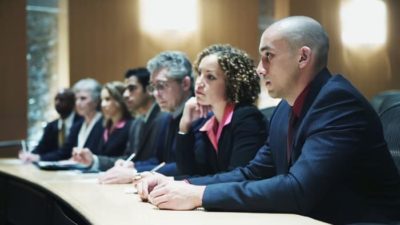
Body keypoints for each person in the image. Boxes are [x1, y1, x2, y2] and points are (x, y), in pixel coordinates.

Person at [136, 16, 400, 224]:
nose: (260, 69)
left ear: (303, 57)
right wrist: (182, 185)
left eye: (268, 56)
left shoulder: (339, 102)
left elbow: (299, 190)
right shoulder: (285, 108)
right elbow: (252, 172)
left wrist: (199, 195)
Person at [175, 44, 267, 177]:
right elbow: (189, 172)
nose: (199, 82)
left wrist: (185, 184)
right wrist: (184, 127)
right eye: (199, 73)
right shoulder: (211, 122)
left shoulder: (247, 118)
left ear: (233, 83)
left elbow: (238, 177)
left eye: (210, 77)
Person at [71, 68, 168, 178]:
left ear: (149, 90)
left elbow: (161, 161)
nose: (125, 94)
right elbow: (129, 157)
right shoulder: (137, 123)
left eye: (132, 88)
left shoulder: (164, 118)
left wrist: (133, 169)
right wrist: (96, 160)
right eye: (125, 89)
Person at [72, 81, 132, 165]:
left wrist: (95, 160)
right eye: (102, 100)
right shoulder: (105, 126)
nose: (103, 104)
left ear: (119, 101)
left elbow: (128, 158)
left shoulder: (131, 125)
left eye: (107, 99)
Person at [19, 88, 82, 162]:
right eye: (56, 99)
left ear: (72, 103)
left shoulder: (81, 123)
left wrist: (39, 158)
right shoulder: (51, 126)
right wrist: (29, 155)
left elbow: (66, 152)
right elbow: (41, 147)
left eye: (62, 100)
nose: (57, 103)